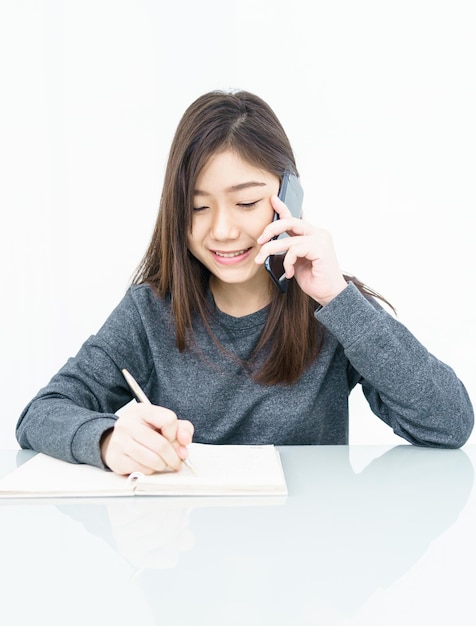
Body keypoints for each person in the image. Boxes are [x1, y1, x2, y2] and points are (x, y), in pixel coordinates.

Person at [16, 90, 474, 476]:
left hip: (309, 561)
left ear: (286, 198)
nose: (222, 230)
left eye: (247, 202)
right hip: (190, 556)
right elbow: (40, 414)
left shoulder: (333, 306)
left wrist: (338, 298)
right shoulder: (150, 311)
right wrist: (108, 440)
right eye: (198, 207)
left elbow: (449, 424)